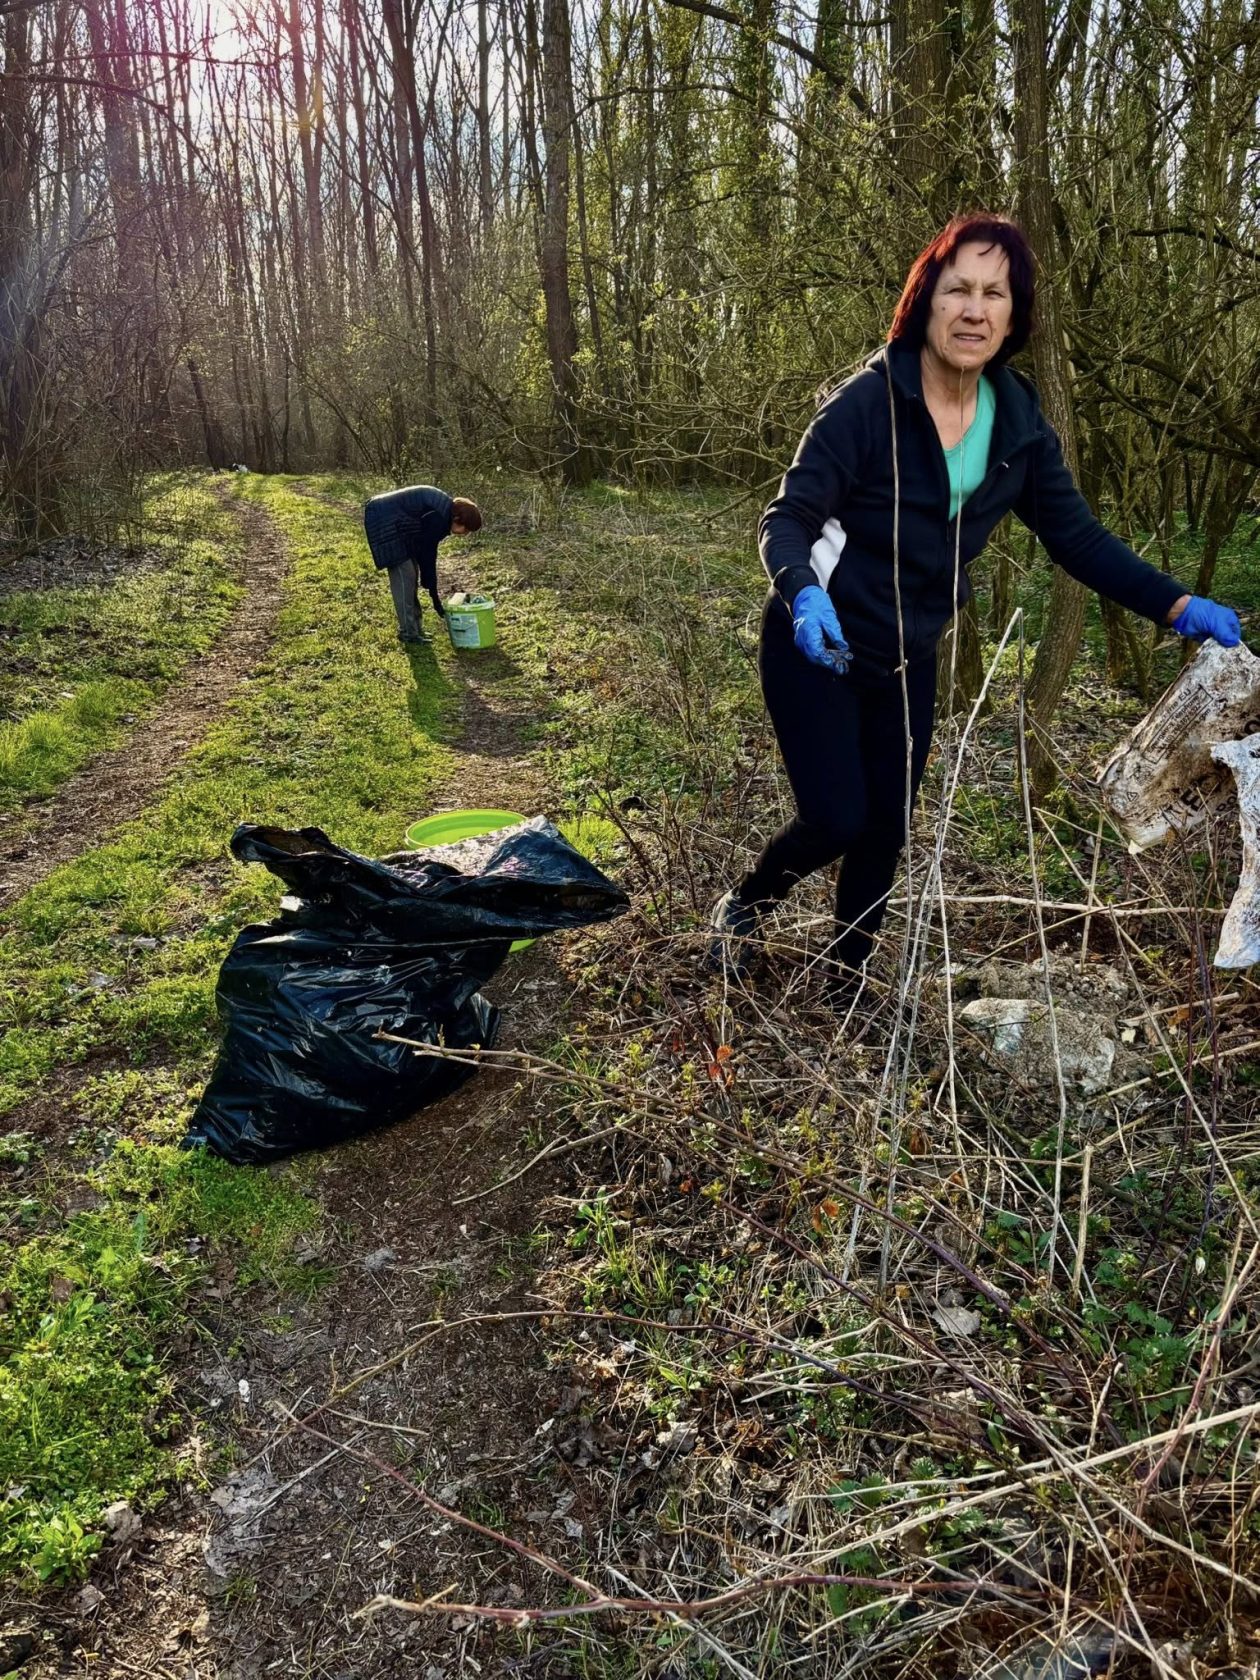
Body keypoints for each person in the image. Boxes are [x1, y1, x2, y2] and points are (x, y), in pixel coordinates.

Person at [709, 213, 1242, 998]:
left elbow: (1079, 541)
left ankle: (845, 980)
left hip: (906, 655)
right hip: (813, 643)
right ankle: (747, 904)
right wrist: (801, 595)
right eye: (958, 288)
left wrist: (1177, 604)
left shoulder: (1017, 428)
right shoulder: (866, 406)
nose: (974, 309)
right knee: (836, 818)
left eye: (995, 293)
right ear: (925, 302)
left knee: (886, 829)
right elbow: (787, 519)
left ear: (1014, 316)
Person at [363, 485, 484, 644]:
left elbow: (424, 549)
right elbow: (428, 554)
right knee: (405, 580)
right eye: (466, 529)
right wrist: (434, 596)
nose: (465, 534)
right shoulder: (439, 518)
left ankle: (416, 630)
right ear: (457, 519)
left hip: (398, 525)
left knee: (411, 576)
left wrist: (433, 593)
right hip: (384, 520)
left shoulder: (444, 511)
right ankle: (408, 634)